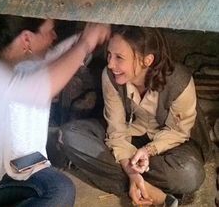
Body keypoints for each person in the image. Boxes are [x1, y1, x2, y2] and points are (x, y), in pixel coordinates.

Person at [61, 25, 212, 206]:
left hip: (169, 146)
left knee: (190, 174)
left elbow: (178, 133)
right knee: (69, 135)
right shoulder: (110, 76)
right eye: (109, 55)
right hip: (129, 137)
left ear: (146, 60)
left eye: (119, 58)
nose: (110, 64)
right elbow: (116, 131)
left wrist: (148, 151)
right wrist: (131, 171)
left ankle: (121, 179)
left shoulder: (179, 81)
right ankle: (148, 188)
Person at [0, 13, 110, 207]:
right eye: (50, 31)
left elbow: (49, 59)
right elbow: (39, 87)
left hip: (8, 174)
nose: (54, 37)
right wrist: (86, 42)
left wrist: (82, 40)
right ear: (27, 38)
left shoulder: (11, 62)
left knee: (60, 189)